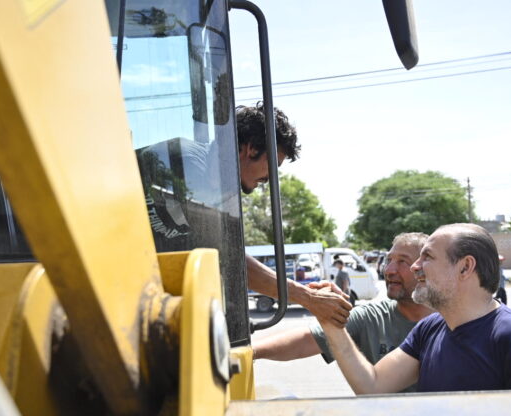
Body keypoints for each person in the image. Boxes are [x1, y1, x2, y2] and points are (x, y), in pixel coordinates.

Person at [138, 102, 352, 326]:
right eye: (273, 165)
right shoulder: (186, 166)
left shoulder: (219, 188)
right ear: (250, 149)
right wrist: (307, 297)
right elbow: (231, 260)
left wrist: (305, 293)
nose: (270, 179)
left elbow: (233, 255)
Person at [314, 223, 511, 394]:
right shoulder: (429, 329)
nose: (415, 267)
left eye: (427, 257)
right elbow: (373, 386)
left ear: (465, 267)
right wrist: (331, 323)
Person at [253, 233, 432, 364]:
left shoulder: (450, 320)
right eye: (389, 260)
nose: (389, 270)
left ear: (424, 269)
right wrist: (249, 352)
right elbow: (305, 341)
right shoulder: (370, 317)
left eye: (403, 262)